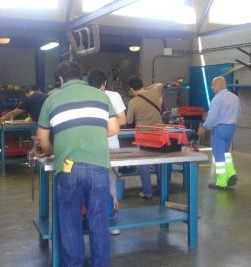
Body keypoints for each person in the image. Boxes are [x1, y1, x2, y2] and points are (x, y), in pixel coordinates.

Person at [35, 61, 119, 267]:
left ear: (61, 79)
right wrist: (94, 136)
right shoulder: (101, 96)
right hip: (98, 165)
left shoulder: (52, 99)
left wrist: (53, 150)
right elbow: (114, 128)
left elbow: (41, 138)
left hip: (67, 166)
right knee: (98, 220)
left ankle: (73, 264)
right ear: (80, 76)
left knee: (69, 219)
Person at [87, 69, 126, 236]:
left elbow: (123, 119)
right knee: (103, 183)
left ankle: (109, 220)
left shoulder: (112, 96)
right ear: (104, 82)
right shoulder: (111, 95)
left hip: (103, 145)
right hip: (98, 145)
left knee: (105, 182)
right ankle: (103, 220)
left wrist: (97, 130)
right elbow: (122, 120)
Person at [198, 76, 241, 190]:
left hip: (220, 129)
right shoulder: (235, 98)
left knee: (218, 154)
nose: (211, 87)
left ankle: (221, 182)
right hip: (231, 128)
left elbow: (212, 117)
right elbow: (239, 114)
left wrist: (204, 127)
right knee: (225, 153)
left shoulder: (217, 99)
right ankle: (231, 174)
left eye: (214, 84)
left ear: (222, 85)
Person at [126, 75, 164, 199]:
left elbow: (129, 120)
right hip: (159, 133)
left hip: (144, 136)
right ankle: (163, 189)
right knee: (159, 162)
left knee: (144, 164)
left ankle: (147, 192)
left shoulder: (133, 102)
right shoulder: (154, 91)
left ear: (131, 89)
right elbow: (160, 83)